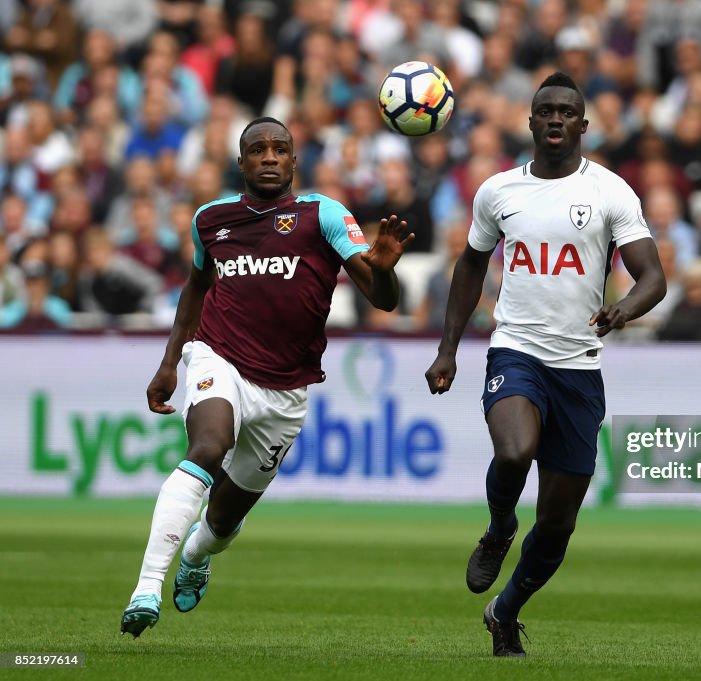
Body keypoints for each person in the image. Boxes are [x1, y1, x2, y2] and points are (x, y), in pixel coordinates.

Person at [119, 117, 413, 637]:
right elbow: (195, 287)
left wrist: (385, 270)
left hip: (285, 392)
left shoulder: (322, 215)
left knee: (222, 521)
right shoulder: (211, 219)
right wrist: (170, 362)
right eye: (258, 149)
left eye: (280, 149)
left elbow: (383, 301)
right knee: (207, 447)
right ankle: (146, 587)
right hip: (219, 359)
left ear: (295, 161)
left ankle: (195, 556)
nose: (270, 157)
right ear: (242, 162)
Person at [424, 72, 666, 657]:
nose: (556, 118)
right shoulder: (499, 191)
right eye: (546, 111)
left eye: (567, 112)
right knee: (514, 451)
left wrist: (624, 309)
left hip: (579, 367)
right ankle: (500, 527)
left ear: (583, 125)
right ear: (530, 122)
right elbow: (470, 265)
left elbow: (653, 277)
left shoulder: (611, 192)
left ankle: (504, 612)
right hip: (517, 349)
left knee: (558, 524)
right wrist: (448, 348)